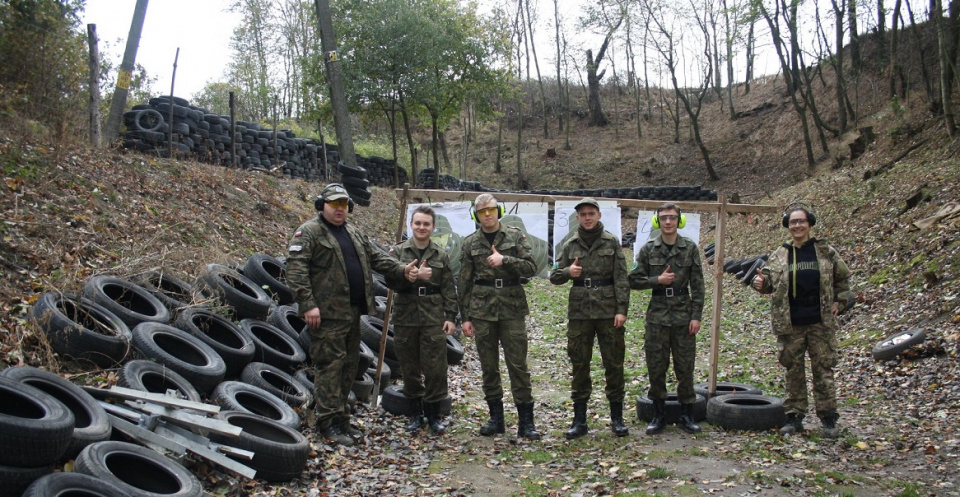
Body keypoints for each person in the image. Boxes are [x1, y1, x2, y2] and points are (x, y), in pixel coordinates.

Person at [286, 183, 417, 447]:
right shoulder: (309, 232)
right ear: (321, 204)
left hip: (352, 312)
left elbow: (377, 259)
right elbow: (296, 269)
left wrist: (402, 270)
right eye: (334, 204)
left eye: (344, 204)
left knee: (348, 366)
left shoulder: (353, 232)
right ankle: (326, 422)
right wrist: (308, 304)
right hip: (326, 315)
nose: (339, 209)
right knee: (330, 367)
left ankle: (341, 418)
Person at [751, 202, 852, 437]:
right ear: (788, 225)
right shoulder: (779, 254)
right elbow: (767, 283)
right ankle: (794, 417)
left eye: (802, 221)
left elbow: (843, 278)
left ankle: (828, 419)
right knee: (793, 371)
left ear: (810, 224)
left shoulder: (825, 251)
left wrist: (840, 302)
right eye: (793, 222)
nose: (797, 225)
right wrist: (760, 284)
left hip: (820, 322)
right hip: (790, 323)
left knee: (823, 369)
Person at [459, 193, 542, 440]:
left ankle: (527, 422)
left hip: (511, 308)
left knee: (518, 365)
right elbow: (463, 282)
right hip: (482, 310)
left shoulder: (515, 235)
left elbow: (531, 267)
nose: (487, 214)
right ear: (476, 214)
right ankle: (496, 418)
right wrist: (465, 317)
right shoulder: (469, 243)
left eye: (491, 210)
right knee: (489, 366)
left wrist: (504, 259)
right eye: (482, 211)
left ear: (499, 211)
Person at [549, 198, 630, 438]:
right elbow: (554, 276)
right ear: (577, 218)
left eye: (591, 213)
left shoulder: (612, 242)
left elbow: (622, 278)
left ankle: (617, 418)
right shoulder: (570, 244)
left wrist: (621, 310)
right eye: (583, 214)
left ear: (599, 216)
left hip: (608, 312)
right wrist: (568, 272)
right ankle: (579, 420)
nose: (587, 217)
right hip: (580, 313)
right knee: (580, 364)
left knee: (614, 364)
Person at [628, 203, 705, 435]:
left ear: (679, 221)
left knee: (685, 367)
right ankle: (659, 415)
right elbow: (632, 280)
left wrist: (696, 315)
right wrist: (656, 280)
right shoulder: (649, 249)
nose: (668, 222)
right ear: (657, 222)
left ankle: (687, 415)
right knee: (656, 366)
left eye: (672, 218)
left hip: (683, 316)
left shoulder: (689, 248)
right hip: (657, 316)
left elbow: (698, 285)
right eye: (663, 218)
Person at [385, 206, 459, 435]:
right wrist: (412, 276)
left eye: (426, 224)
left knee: (436, 368)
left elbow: (448, 288)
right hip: (406, 315)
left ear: (433, 227)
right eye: (418, 223)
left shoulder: (440, 254)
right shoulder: (398, 252)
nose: (421, 227)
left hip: (432, 316)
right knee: (409, 367)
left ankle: (434, 415)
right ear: (411, 225)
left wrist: (451, 317)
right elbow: (390, 281)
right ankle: (415, 414)